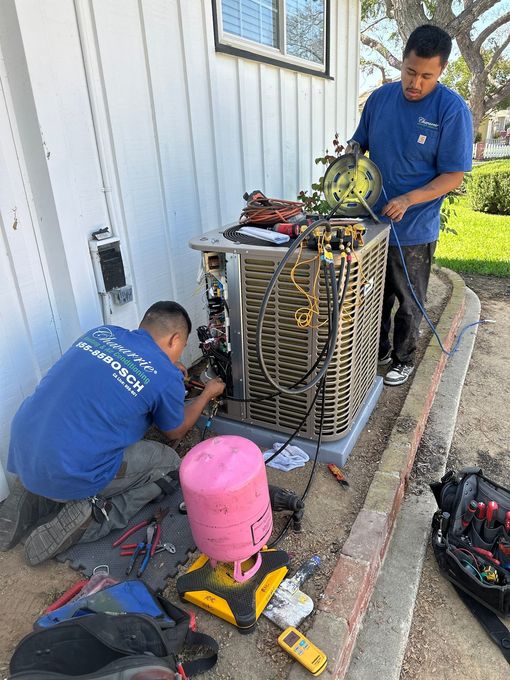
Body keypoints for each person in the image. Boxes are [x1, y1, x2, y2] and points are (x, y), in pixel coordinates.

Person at [0, 301, 225, 565]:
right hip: (71, 466)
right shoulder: (163, 374)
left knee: (70, 441)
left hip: (25, 446)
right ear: (175, 339)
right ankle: (91, 517)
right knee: (171, 466)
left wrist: (164, 372)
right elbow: (174, 431)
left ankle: (27, 492)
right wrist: (207, 393)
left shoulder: (102, 334)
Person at [349, 24, 473, 385]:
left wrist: (408, 199)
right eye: (410, 72)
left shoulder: (451, 110)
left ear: (441, 71)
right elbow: (360, 143)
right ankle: (380, 350)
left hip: (414, 228)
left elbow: (453, 176)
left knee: (408, 298)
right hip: (372, 221)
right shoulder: (379, 99)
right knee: (375, 296)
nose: (415, 83)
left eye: (426, 76)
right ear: (402, 62)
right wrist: (352, 156)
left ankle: (404, 357)